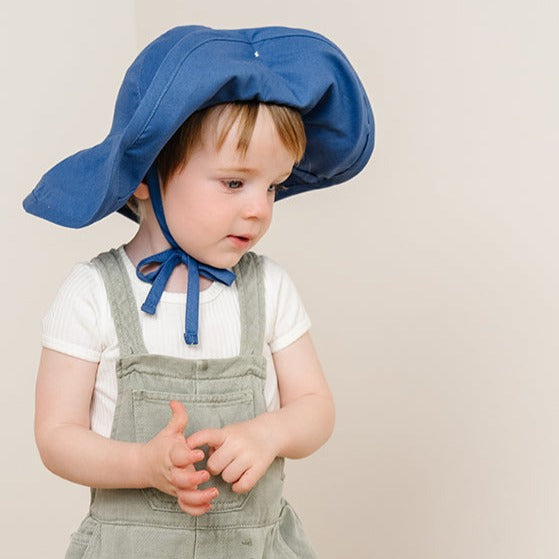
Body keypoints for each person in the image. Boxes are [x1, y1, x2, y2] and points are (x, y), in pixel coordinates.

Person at [23, 25, 374, 558]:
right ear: (146, 175)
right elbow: (56, 436)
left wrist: (269, 434)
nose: (259, 208)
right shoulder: (92, 292)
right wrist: (142, 464)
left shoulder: (269, 288)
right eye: (234, 183)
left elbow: (315, 407)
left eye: (272, 186)